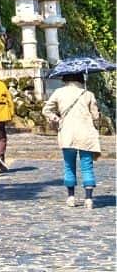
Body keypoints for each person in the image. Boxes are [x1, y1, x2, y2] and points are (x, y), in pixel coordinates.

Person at [43, 72, 102, 209]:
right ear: (81, 78)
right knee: (87, 166)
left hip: (67, 133)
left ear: (65, 78)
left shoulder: (59, 92)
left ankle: (71, 197)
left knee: (69, 165)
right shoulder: (88, 94)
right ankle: (88, 199)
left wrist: (56, 118)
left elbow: (46, 110)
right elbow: (95, 116)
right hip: (85, 134)